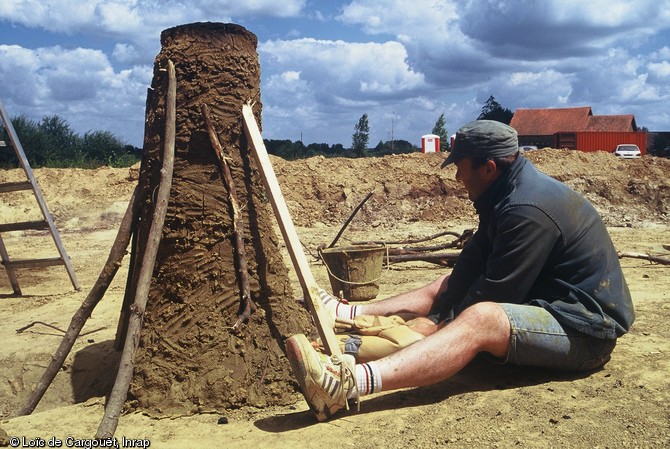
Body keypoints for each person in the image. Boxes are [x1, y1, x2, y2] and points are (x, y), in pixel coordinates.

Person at [285, 120, 635, 422]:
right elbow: (470, 267)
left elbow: (498, 295)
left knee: (481, 318)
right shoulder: (505, 194)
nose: (456, 175)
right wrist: (436, 315)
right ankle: (347, 312)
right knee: (448, 283)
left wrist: (437, 329)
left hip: (585, 331)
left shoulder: (526, 211)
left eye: (461, 165)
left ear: (489, 167)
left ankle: (347, 385)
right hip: (551, 305)